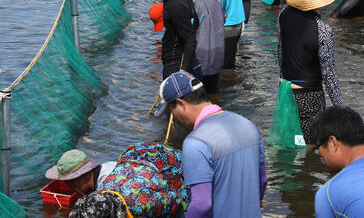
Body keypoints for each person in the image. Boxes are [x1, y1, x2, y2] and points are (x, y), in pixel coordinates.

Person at [154, 71, 267, 218]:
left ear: (181, 103)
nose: (174, 117)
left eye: (171, 110)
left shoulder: (196, 143)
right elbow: (262, 181)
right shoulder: (248, 125)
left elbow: (202, 204)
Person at [278, 0, 346, 143]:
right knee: (313, 146)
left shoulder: (283, 15)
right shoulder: (322, 30)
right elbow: (329, 74)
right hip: (309, 95)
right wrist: (341, 109)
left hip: (286, 90)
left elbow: (280, 52)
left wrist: (282, 81)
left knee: (291, 141)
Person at [45, 145, 188, 218]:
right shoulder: (113, 168)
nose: (70, 187)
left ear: (81, 177)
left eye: (70, 182)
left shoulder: (124, 200)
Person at [137, 0, 201, 79]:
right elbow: (195, 22)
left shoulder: (175, 3)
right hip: (180, 64)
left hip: (177, 67)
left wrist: (182, 72)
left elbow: (190, 39)